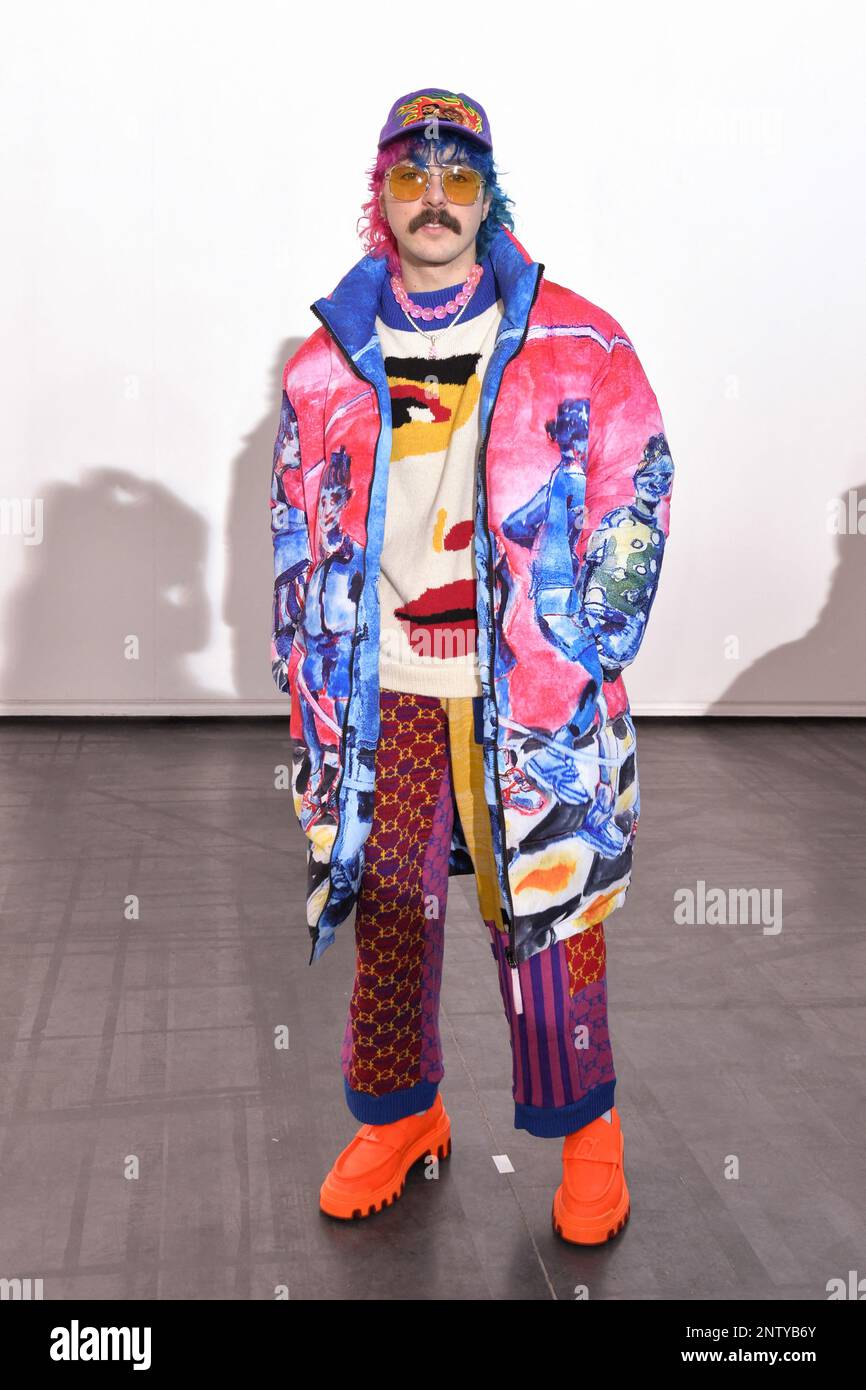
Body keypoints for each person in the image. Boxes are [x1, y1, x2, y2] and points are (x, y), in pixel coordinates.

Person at [269, 87, 675, 1245]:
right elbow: (297, 529)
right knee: (392, 915)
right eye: (412, 174)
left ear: (489, 195)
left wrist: (584, 651)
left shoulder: (577, 341)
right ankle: (404, 1116)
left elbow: (637, 489)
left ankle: (589, 1134)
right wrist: (307, 677)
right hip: (386, 689)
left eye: (459, 175)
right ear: (381, 195)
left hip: (526, 699)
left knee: (546, 909)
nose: (435, 196)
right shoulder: (324, 361)